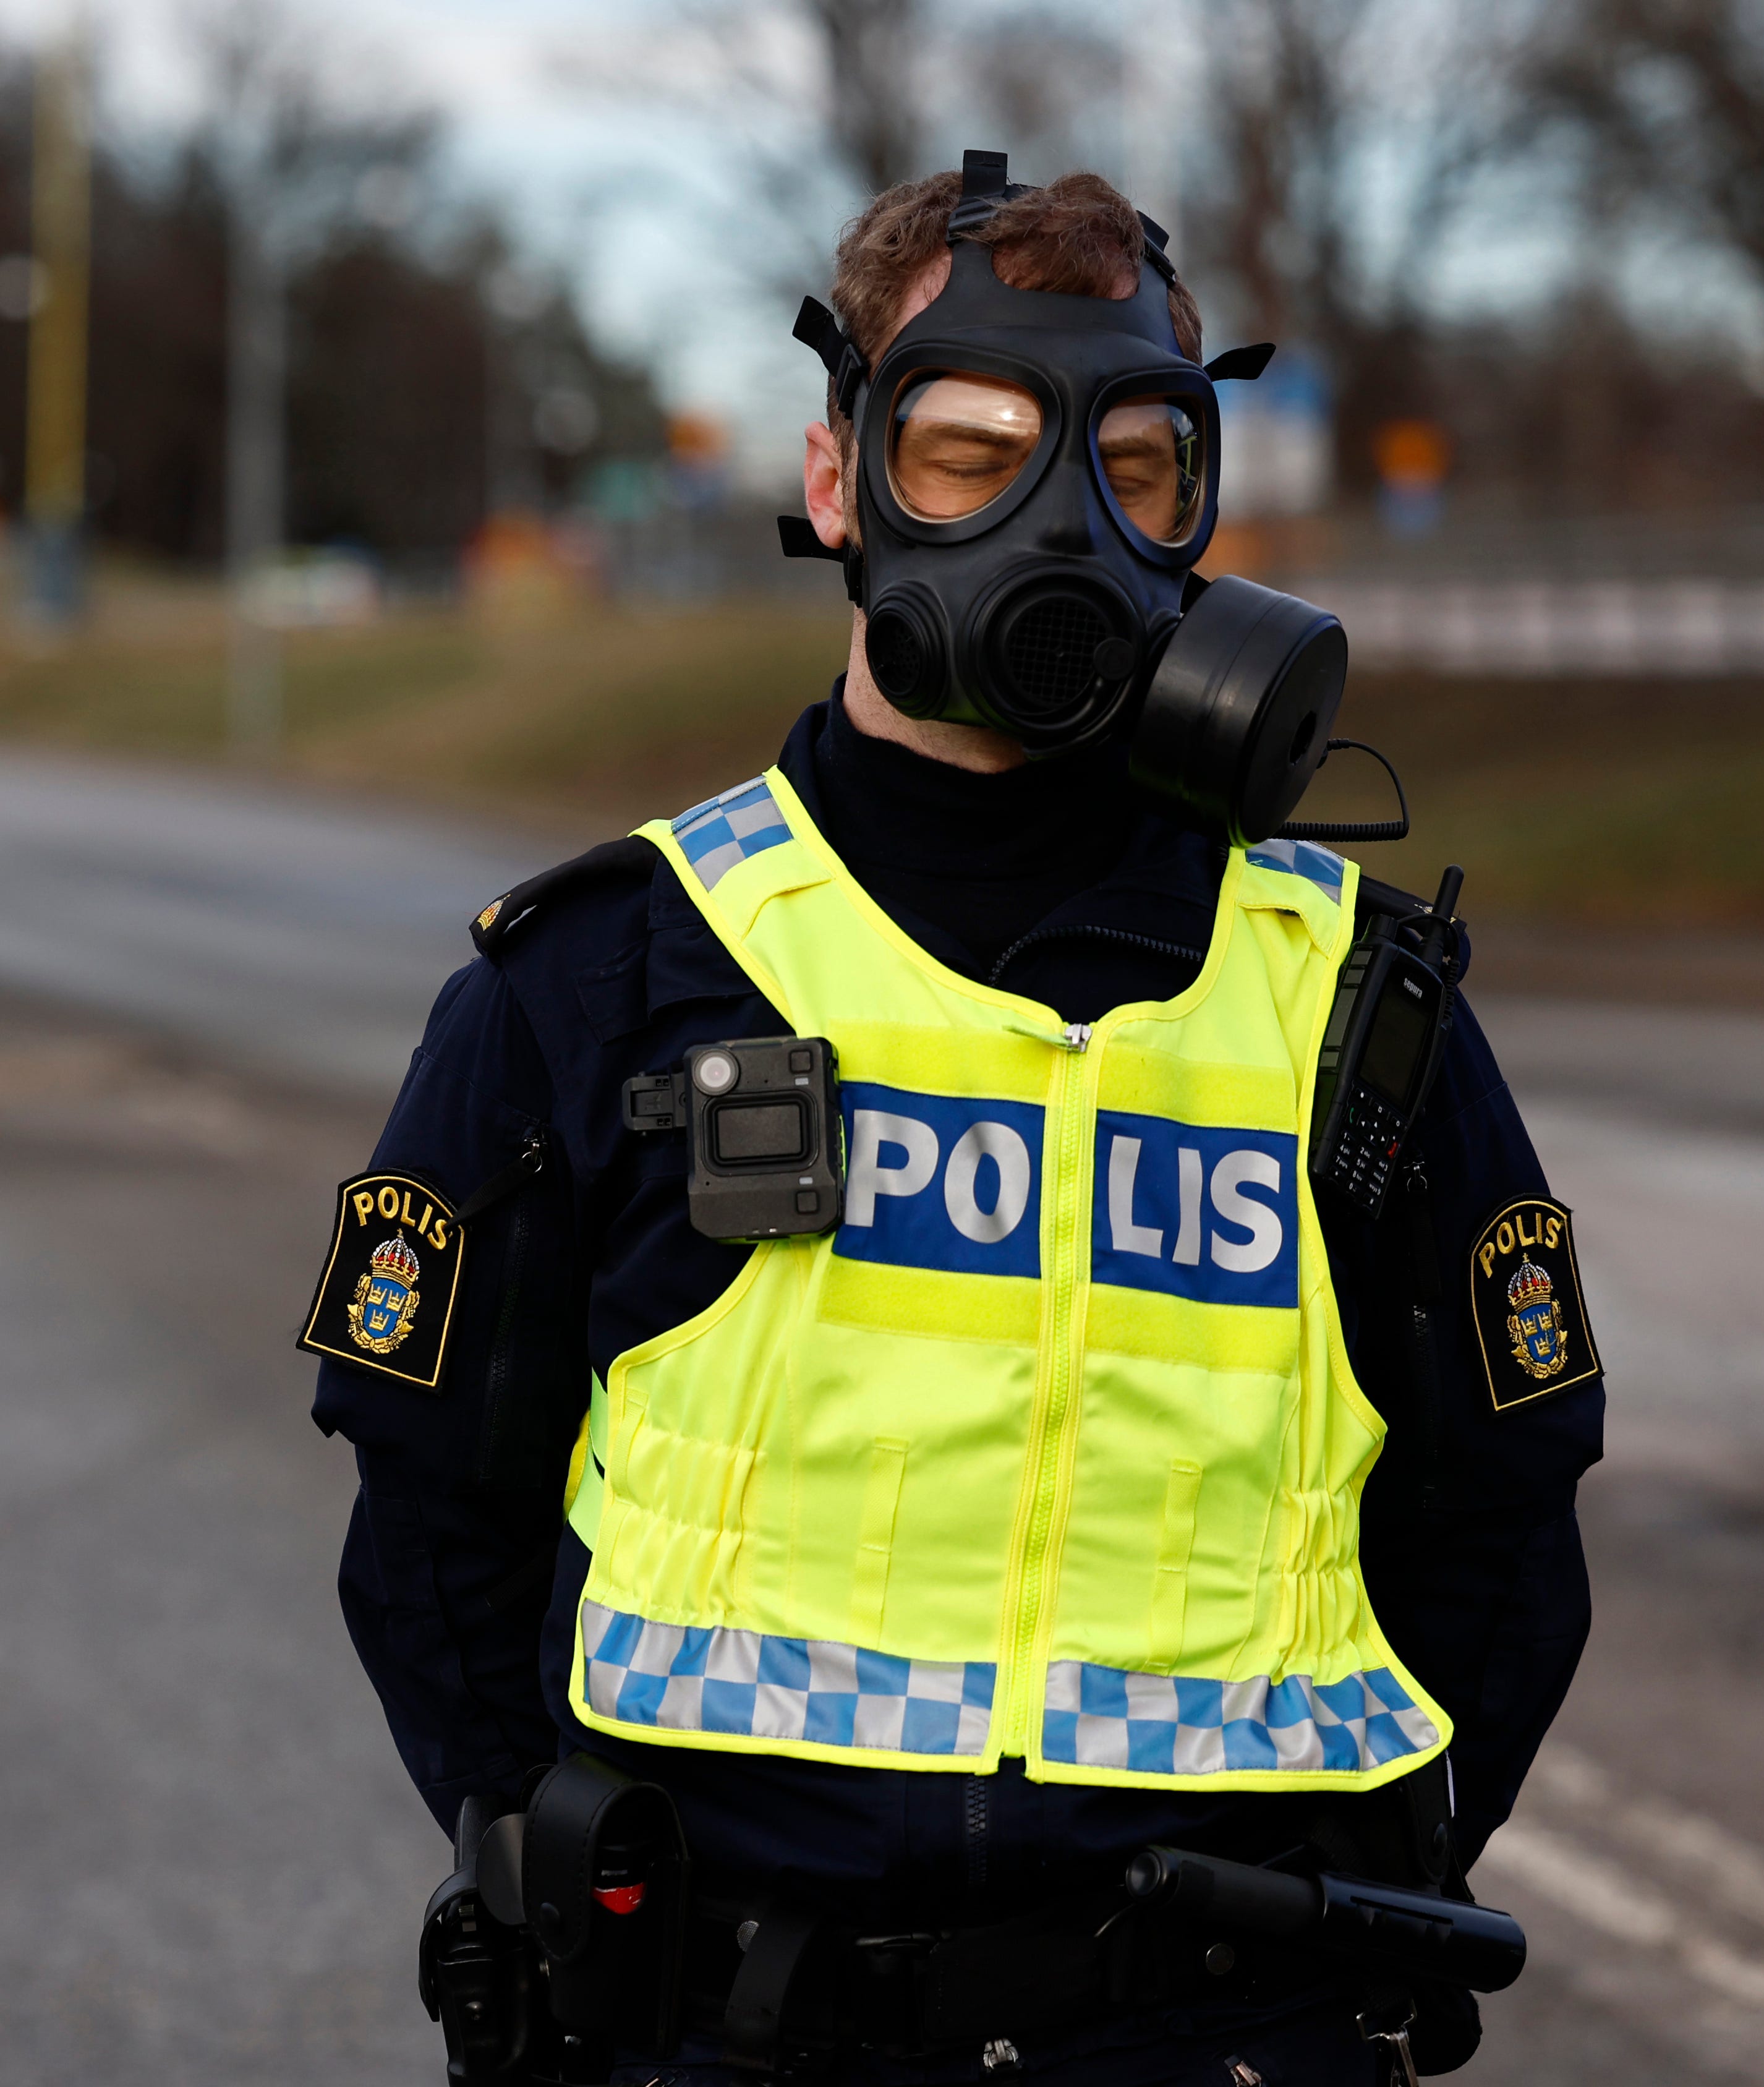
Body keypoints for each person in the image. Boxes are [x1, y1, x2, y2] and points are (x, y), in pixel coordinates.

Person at [304, 157, 1601, 2085]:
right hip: (726, 2031)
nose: (1066, 518)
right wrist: (574, 1891)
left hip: (1218, 2034)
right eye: (973, 450)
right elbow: (433, 1524)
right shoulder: (608, 975)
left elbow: (1499, 1535)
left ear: (1200, 512)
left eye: (1139, 465)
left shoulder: (1356, 1010)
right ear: (839, 482)